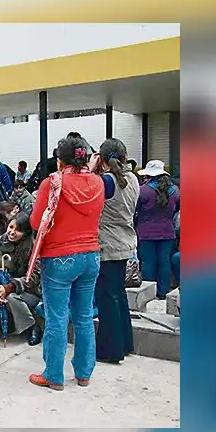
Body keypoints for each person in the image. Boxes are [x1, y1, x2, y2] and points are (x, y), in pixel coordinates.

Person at [28, 135, 105, 391]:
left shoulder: (52, 183)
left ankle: (54, 375)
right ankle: (84, 373)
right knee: (84, 317)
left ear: (60, 160)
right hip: (91, 255)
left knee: (57, 317)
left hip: (59, 258)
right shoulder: (98, 182)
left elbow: (36, 222)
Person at [94, 138, 141, 364]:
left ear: (102, 160)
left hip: (107, 246)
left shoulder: (106, 182)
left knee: (107, 298)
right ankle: (125, 342)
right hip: (126, 243)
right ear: (125, 157)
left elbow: (90, 193)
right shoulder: (133, 179)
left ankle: (110, 350)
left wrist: (94, 170)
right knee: (119, 296)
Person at [0, 213, 43, 345]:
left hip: (27, 291)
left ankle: (31, 326)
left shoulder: (33, 247)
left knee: (11, 298)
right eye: (11, 227)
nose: (12, 232)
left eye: (18, 230)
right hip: (1, 285)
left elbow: (34, 276)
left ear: (26, 232)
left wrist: (10, 287)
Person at [135, 160, 180, 299]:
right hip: (167, 232)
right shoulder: (175, 190)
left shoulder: (143, 190)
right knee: (164, 261)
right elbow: (177, 209)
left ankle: (149, 292)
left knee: (148, 262)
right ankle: (164, 292)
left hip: (146, 232)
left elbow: (135, 209)